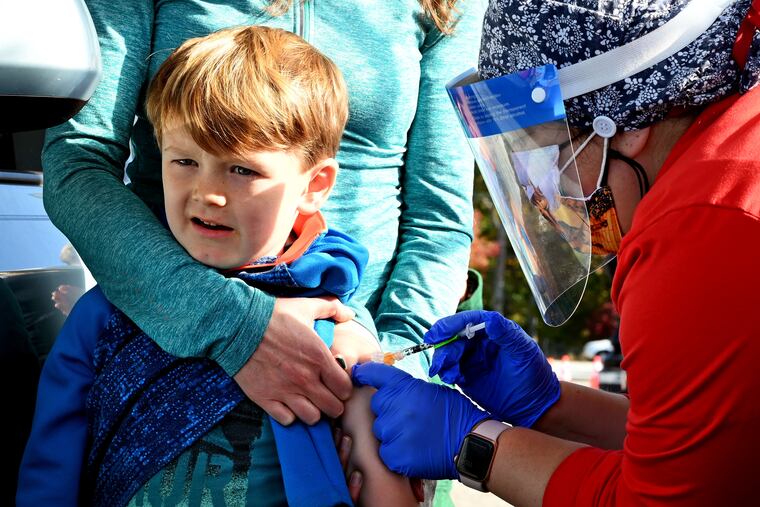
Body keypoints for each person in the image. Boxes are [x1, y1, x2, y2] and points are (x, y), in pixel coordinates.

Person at [352, 0, 760, 505]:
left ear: (627, 122)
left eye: (550, 154)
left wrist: (471, 444)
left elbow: (660, 499)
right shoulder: (732, 154)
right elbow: (704, 452)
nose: (542, 195)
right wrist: (549, 406)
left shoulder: (702, 231)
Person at [18, 26, 424, 506]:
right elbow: (51, 469)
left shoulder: (339, 327)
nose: (207, 192)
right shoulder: (104, 315)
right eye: (185, 161)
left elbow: (385, 482)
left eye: (241, 169)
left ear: (314, 186)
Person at [40, 0, 487, 435]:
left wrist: (398, 375)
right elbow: (81, 160)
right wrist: (234, 325)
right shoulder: (93, 325)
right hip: (157, 356)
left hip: (359, 375)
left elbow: (438, 220)